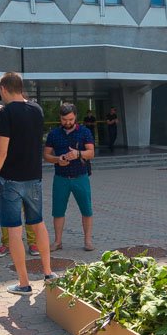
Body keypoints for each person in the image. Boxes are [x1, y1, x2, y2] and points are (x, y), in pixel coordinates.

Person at [0, 72, 55, 294]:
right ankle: (48, 273)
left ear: (4, 88)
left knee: (14, 231)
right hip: (34, 177)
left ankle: (24, 283)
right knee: (38, 223)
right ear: (21, 87)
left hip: (10, 180)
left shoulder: (6, 112)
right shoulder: (37, 110)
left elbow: (1, 149)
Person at [44, 103, 96, 252]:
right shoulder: (54, 134)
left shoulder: (85, 132)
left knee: (86, 210)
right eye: (64, 119)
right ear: (60, 118)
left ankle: (87, 241)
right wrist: (57, 159)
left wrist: (78, 154)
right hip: (60, 178)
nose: (67, 122)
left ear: (75, 117)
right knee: (58, 211)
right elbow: (46, 155)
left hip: (81, 176)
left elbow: (91, 153)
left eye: (71, 119)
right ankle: (58, 242)